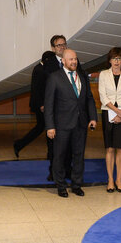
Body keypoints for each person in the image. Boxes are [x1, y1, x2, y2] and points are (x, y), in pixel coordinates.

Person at [44, 48, 96, 197]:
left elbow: (89, 99)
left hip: (80, 124)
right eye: (71, 59)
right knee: (59, 156)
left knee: (79, 155)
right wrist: (50, 126)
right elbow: (48, 104)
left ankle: (76, 184)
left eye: (75, 59)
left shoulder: (83, 76)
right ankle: (60, 185)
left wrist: (92, 117)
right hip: (61, 125)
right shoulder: (54, 78)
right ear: (64, 61)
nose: (74, 61)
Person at [98, 47, 121, 193]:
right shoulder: (103, 74)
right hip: (108, 112)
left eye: (119, 59)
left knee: (120, 149)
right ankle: (110, 180)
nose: (116, 62)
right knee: (110, 148)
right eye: (114, 59)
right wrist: (116, 111)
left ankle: (119, 179)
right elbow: (103, 96)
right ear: (110, 60)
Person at [13, 51, 57, 157]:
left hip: (43, 104)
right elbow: (36, 89)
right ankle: (50, 153)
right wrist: (41, 105)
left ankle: (19, 144)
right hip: (41, 105)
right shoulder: (39, 70)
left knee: (42, 127)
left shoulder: (42, 68)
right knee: (46, 127)